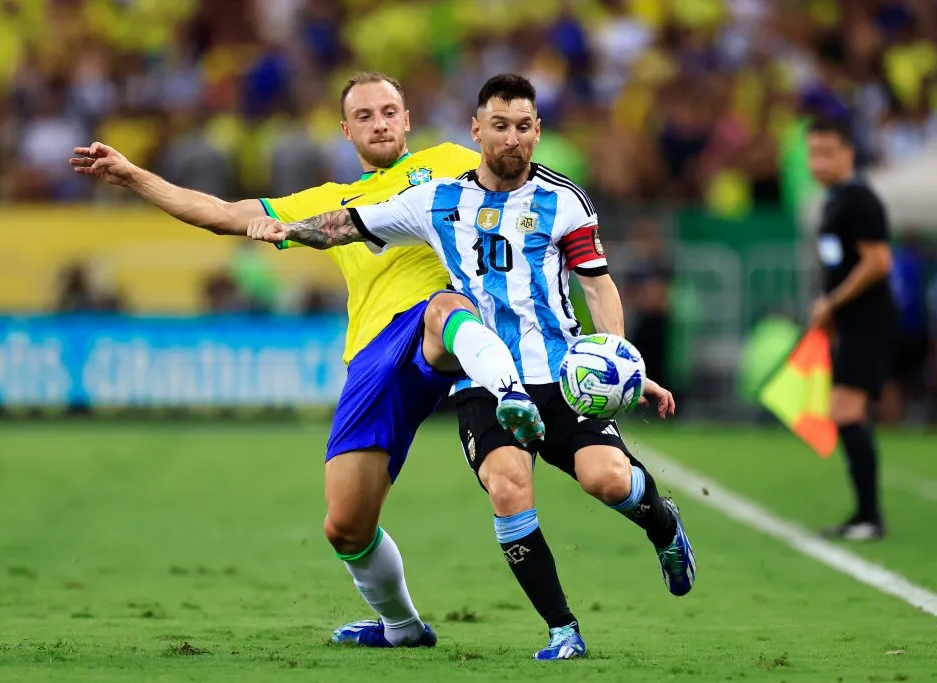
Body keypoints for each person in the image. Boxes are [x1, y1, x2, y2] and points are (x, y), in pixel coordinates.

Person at [69, 71, 545, 650]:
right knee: (345, 527)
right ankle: (401, 627)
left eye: (389, 111)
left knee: (443, 308)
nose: (380, 123)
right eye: (364, 116)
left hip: (442, 323)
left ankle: (508, 386)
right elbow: (220, 211)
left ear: (408, 118)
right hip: (374, 356)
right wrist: (133, 176)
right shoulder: (329, 202)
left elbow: (525, 176)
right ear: (345, 130)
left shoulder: (451, 161)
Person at [246, 73, 696, 661]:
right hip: (484, 379)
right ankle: (563, 630)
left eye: (525, 127)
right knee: (509, 490)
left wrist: (620, 360)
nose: (514, 139)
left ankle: (663, 525)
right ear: (476, 130)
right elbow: (348, 224)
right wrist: (289, 231)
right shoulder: (438, 199)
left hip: (561, 373)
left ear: (538, 131)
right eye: (502, 127)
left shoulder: (564, 200)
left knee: (607, 480)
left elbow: (598, 285)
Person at [806, 116, 897, 541]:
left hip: (868, 321)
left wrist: (833, 301)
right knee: (845, 410)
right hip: (851, 323)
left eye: (827, 152)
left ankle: (869, 517)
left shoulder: (859, 200)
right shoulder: (835, 200)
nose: (818, 162)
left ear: (849, 153)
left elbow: (878, 261)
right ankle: (864, 514)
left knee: (847, 409)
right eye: (812, 153)